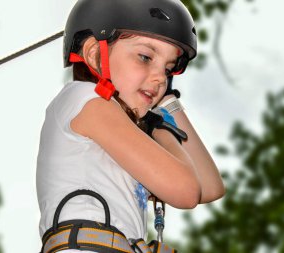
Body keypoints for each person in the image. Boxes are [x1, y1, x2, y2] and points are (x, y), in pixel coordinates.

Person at [36, 0, 225, 252]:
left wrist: (167, 103)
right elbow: (187, 190)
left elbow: (209, 187)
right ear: (95, 54)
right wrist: (161, 127)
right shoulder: (86, 99)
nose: (160, 78)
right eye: (145, 57)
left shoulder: (109, 144)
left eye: (168, 70)